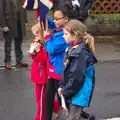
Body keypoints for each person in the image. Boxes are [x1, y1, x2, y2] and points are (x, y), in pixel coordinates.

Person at [58, 19, 97, 120]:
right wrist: (62, 85)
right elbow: (66, 71)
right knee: (71, 113)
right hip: (72, 91)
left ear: (75, 35)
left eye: (66, 34)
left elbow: (77, 78)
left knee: (72, 116)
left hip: (78, 93)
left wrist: (65, 91)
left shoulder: (80, 53)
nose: (63, 36)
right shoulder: (72, 48)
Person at [43, 3, 76, 120]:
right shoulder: (59, 29)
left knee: (64, 101)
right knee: (48, 99)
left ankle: (82, 116)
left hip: (60, 73)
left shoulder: (65, 35)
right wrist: (43, 16)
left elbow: (52, 49)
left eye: (57, 18)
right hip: (53, 71)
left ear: (66, 19)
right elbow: (52, 23)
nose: (55, 21)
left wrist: (47, 38)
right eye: (54, 18)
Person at [29, 23, 62, 120]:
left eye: (37, 35)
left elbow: (43, 61)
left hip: (43, 77)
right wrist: (33, 52)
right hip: (38, 76)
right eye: (34, 35)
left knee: (41, 101)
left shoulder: (47, 46)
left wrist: (39, 50)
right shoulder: (40, 44)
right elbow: (36, 60)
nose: (35, 37)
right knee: (41, 98)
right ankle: (57, 107)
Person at [0, 0, 28, 69]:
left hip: (19, 20)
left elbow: (24, 7)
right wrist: (3, 25)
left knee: (19, 41)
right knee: (8, 43)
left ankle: (19, 59)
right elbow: (1, 10)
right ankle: (7, 61)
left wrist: (25, 20)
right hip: (9, 21)